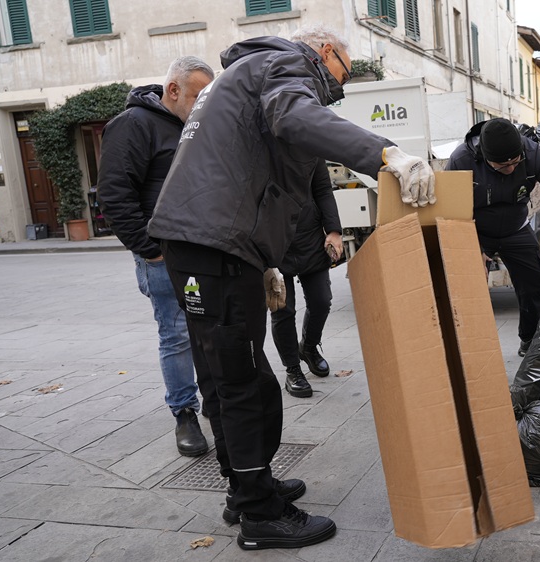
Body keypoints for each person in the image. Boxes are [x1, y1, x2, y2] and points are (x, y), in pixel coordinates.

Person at [146, 24, 434, 551]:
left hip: (209, 244)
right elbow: (295, 117)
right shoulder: (284, 62)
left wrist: (263, 262)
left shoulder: (248, 70)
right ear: (326, 52)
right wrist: (386, 154)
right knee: (242, 382)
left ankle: (245, 489)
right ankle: (259, 515)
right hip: (213, 245)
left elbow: (257, 175)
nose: (340, 86)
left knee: (233, 375)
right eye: (344, 72)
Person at [96, 56, 214, 458]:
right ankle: (185, 413)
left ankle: (214, 401)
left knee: (207, 329)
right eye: (197, 96)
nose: (202, 104)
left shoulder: (194, 125)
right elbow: (114, 195)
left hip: (201, 249)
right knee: (176, 333)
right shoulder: (132, 124)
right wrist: (149, 250)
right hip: (162, 255)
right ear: (173, 90)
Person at [446, 118, 540, 357]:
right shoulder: (461, 160)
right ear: (486, 157)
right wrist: (474, 248)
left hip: (515, 227)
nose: (510, 169)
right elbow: (450, 211)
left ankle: (530, 339)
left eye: (515, 162)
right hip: (475, 230)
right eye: (502, 166)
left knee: (534, 282)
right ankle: (469, 350)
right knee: (466, 286)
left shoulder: (532, 152)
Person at [269, 163, 344, 397]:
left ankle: (309, 347)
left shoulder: (310, 147)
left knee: (321, 301)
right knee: (282, 309)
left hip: (310, 237)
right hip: (273, 242)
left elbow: (323, 189)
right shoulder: (258, 148)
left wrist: (333, 230)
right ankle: (293, 369)